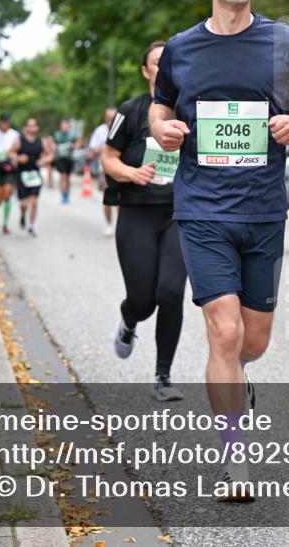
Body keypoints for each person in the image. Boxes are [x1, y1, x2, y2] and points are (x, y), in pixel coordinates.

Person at [149, 0, 289, 497]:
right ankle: (234, 458)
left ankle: (237, 377)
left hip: (265, 210)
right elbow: (161, 102)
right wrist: (161, 128)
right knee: (223, 333)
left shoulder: (283, 40)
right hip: (202, 208)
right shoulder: (181, 48)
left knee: (253, 341)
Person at [105, 41, 188, 402]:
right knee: (143, 300)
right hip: (137, 212)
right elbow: (108, 159)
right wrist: (131, 173)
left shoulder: (192, 109)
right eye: (157, 62)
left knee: (171, 293)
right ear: (146, 71)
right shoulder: (130, 110)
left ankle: (163, 375)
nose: (164, 66)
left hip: (179, 215)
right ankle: (128, 320)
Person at [12, 118, 50, 237]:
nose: (32, 128)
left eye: (34, 126)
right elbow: (10, 153)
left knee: (34, 202)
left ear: (37, 128)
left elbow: (51, 155)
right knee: (24, 204)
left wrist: (43, 161)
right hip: (22, 174)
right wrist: (18, 158)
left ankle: (31, 226)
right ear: (26, 128)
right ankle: (23, 214)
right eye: (30, 126)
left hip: (35, 175)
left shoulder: (41, 141)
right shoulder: (20, 141)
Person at [87, 107, 118, 236]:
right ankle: (108, 224)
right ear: (105, 118)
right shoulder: (99, 131)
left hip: (121, 169)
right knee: (108, 199)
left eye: (113, 117)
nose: (110, 120)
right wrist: (102, 149)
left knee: (121, 200)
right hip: (104, 169)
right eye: (108, 117)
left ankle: (121, 225)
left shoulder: (123, 128)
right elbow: (92, 151)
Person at [52, 120, 78, 204]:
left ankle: (67, 193)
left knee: (67, 177)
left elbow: (77, 144)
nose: (64, 127)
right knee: (62, 176)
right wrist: (55, 147)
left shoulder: (72, 135)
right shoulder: (57, 135)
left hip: (69, 159)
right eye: (63, 126)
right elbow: (53, 144)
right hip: (60, 158)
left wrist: (72, 146)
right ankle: (63, 194)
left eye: (66, 126)